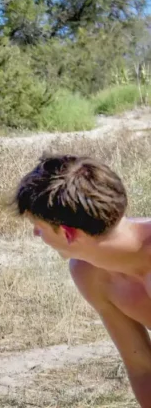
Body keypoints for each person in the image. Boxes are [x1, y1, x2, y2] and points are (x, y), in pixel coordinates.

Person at [16, 154, 151, 406]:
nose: (36, 233)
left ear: (68, 232)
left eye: (39, 226)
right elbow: (142, 366)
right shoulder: (89, 274)